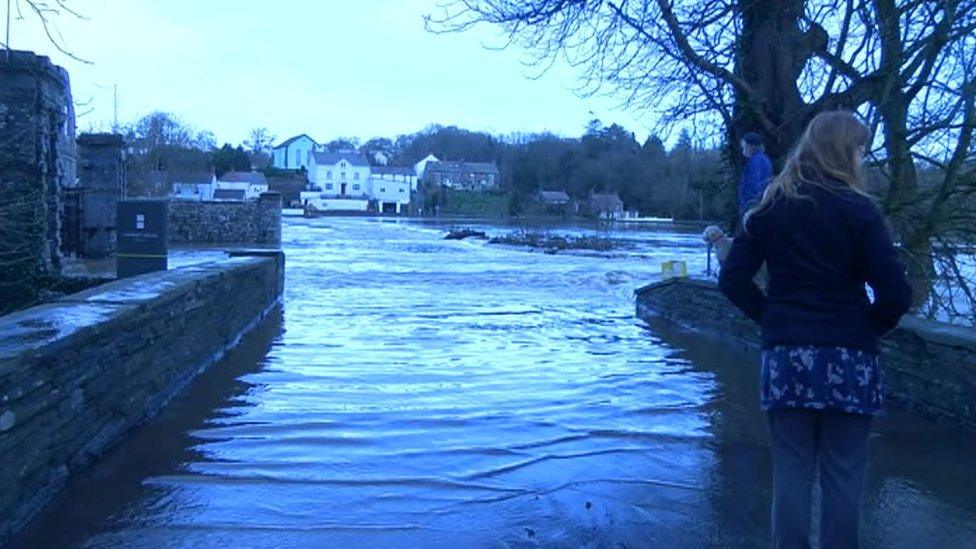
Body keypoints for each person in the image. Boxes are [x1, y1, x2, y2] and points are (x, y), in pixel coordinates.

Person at [718, 111, 912, 548]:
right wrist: (867, 328)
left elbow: (732, 280)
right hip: (849, 359)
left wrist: (772, 318)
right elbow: (896, 294)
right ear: (844, 151)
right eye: (860, 148)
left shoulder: (767, 207)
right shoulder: (860, 211)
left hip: (786, 357)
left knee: (791, 472)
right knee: (843, 478)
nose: (863, 157)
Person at [738, 132, 773, 218]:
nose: (743, 151)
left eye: (745, 147)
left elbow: (754, 185)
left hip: (752, 206)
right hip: (761, 204)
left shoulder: (755, 162)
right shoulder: (765, 159)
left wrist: (748, 206)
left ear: (752, 146)